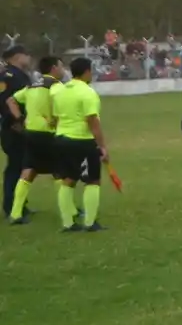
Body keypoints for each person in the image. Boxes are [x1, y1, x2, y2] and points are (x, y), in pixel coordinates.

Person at [52, 57, 107, 232]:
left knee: (67, 180)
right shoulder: (88, 92)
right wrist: (102, 146)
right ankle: (90, 223)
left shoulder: (60, 91)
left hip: (61, 139)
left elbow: (56, 118)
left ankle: (68, 223)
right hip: (81, 140)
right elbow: (93, 121)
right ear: (87, 71)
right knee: (93, 180)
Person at [8, 56, 64, 224]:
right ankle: (68, 211)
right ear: (54, 68)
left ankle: (16, 213)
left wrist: (19, 120)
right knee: (60, 171)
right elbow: (60, 106)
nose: (63, 70)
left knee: (28, 170)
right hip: (49, 133)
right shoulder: (56, 86)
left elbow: (11, 100)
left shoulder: (32, 85)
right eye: (61, 66)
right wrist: (55, 118)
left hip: (30, 132)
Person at [1, 44, 31, 218]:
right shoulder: (7, 76)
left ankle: (21, 204)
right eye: (27, 55)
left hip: (23, 125)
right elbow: (4, 101)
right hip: (13, 128)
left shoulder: (20, 75)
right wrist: (16, 121)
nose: (29, 59)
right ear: (18, 56)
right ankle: (11, 205)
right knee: (15, 166)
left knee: (23, 166)